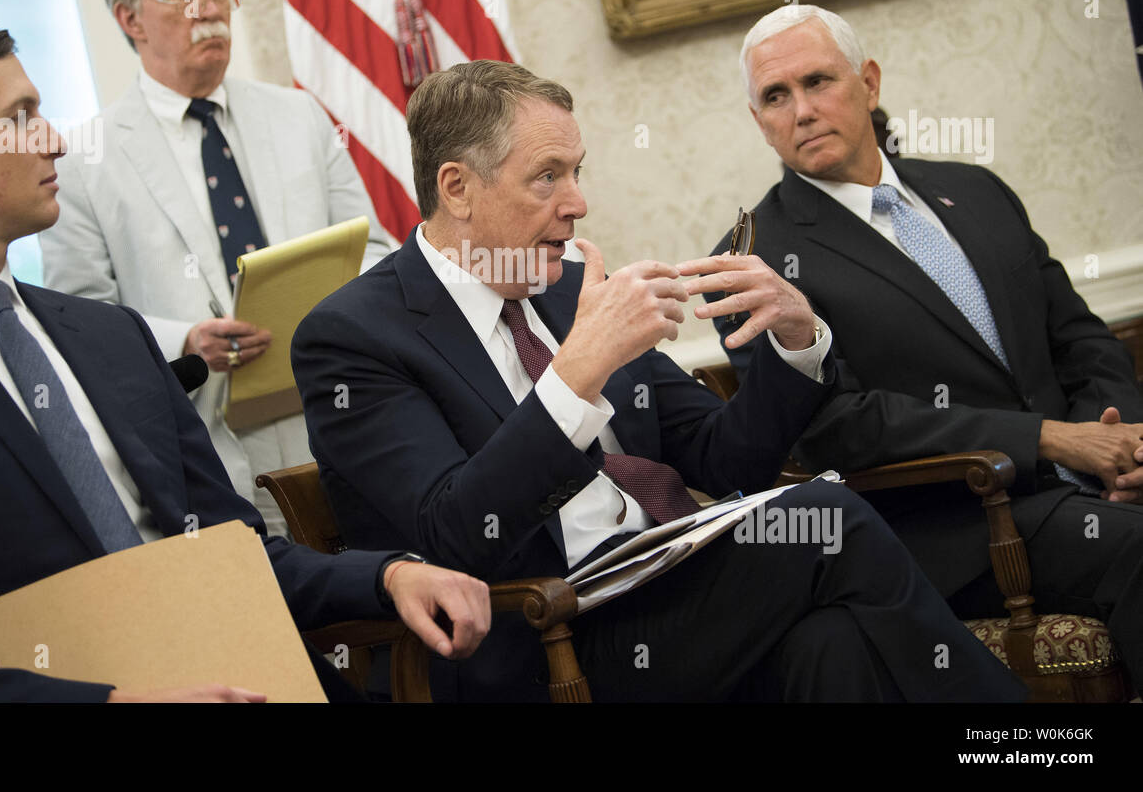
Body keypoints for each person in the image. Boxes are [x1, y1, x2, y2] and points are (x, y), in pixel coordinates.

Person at [290, 59, 1026, 702]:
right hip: (541, 640)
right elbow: (452, 536)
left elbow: (723, 457)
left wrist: (796, 340)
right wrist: (577, 373)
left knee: (828, 642)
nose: (576, 202)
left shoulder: (565, 284)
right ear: (457, 188)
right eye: (547, 177)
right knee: (831, 522)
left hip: (670, 592)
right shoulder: (354, 338)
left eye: (577, 172)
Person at [0, 22, 488, 702]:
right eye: (20, 119)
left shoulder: (109, 335)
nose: (56, 140)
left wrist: (387, 576)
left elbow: (229, 554)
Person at [711, 3, 1143, 685]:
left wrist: (1121, 441)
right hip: (959, 532)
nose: (801, 109)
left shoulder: (975, 191)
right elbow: (838, 429)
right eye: (775, 96)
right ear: (759, 121)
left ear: (869, 83)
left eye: (818, 81)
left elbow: (1080, 337)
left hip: (1092, 487)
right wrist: (1049, 440)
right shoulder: (755, 265)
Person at [39, 0, 391, 531]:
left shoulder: (299, 116)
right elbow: (79, 323)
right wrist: (184, 340)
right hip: (206, 443)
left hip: (346, 415)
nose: (210, 9)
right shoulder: (82, 162)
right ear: (129, 19)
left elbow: (378, 251)